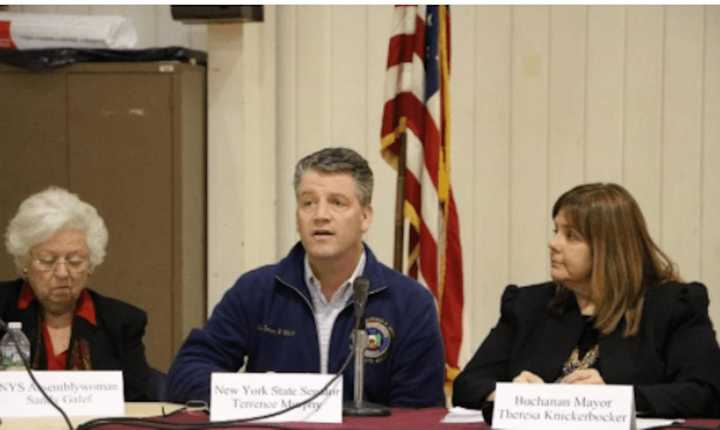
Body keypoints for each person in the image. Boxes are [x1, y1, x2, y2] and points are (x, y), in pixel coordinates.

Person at [167, 147, 445, 407]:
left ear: (365, 217)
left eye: (337, 203)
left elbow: (419, 413)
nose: (320, 215)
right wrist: (264, 394)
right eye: (308, 203)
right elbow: (187, 373)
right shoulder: (257, 290)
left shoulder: (409, 303)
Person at [453, 182, 720, 418]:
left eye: (571, 236)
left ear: (610, 249)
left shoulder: (673, 305)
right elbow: (467, 384)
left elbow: (705, 393)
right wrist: (511, 396)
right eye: (556, 230)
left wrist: (614, 400)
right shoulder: (527, 304)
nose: (554, 244)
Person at [1, 187, 153, 401]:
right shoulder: (2, 310)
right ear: (25, 263)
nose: (63, 273)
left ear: (91, 264)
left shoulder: (121, 323)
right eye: (47, 260)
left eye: (75, 261)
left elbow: (139, 404)